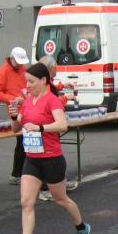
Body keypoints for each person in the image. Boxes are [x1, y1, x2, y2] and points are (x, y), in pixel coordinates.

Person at [4, 62, 91, 234]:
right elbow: (16, 129)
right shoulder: (28, 101)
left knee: (61, 199)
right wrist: (13, 116)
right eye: (26, 81)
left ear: (43, 80)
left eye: (31, 81)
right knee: (26, 202)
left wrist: (41, 128)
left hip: (52, 159)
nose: (27, 86)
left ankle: (82, 228)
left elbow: (62, 125)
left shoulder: (52, 100)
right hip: (32, 159)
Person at [36, 55, 79, 202]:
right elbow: (51, 103)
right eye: (54, 70)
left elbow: (52, 90)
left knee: (49, 158)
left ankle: (57, 184)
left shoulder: (43, 81)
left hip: (45, 126)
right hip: (46, 127)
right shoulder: (42, 84)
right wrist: (66, 98)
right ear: (49, 69)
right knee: (48, 158)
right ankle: (46, 188)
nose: (56, 73)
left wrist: (62, 86)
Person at [0, 46, 30, 185]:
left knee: (25, 142)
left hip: (26, 107)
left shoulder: (23, 69)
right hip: (16, 110)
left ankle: (21, 173)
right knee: (22, 141)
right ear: (11, 58)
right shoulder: (3, 71)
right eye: (18, 62)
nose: (20, 65)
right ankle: (17, 174)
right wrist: (12, 99)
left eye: (21, 62)